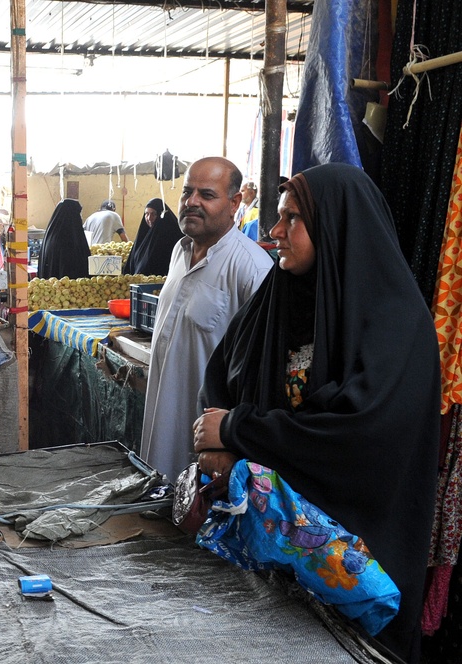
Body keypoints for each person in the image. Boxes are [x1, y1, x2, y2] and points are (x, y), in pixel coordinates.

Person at [192, 164, 439, 662]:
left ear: (335, 226)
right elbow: (221, 381)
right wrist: (219, 448)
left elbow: (362, 437)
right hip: (266, 565)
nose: (275, 231)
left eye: (293, 218)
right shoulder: (274, 303)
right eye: (278, 216)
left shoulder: (396, 326)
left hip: (357, 568)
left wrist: (239, 432)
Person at [139, 157, 273, 481]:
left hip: (208, 449)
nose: (191, 202)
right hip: (160, 428)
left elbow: (258, 376)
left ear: (235, 203)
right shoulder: (179, 252)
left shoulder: (252, 269)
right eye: (187, 192)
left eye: (207, 195)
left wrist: (229, 440)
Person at [122, 198, 183, 276]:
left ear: (161, 214)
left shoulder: (171, 236)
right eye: (146, 214)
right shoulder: (144, 235)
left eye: (153, 214)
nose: (149, 218)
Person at [38, 198, 90, 279]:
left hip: (51, 284)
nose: (80, 217)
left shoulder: (51, 234)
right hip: (67, 284)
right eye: (78, 214)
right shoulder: (69, 240)